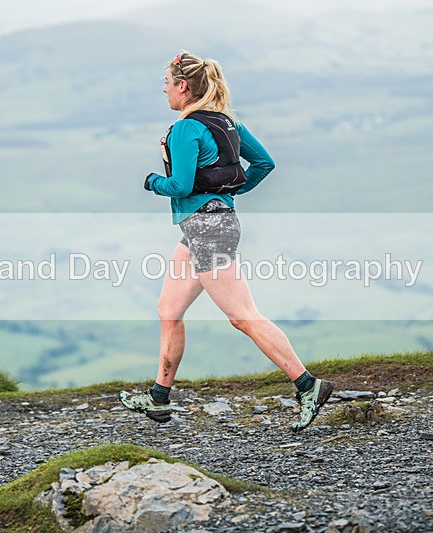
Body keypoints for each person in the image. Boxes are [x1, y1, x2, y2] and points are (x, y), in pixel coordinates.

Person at [118, 51, 333, 432]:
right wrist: (228, 194)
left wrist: (152, 182)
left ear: (183, 87)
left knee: (243, 316)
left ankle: (308, 386)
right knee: (169, 310)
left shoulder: (186, 129)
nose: (165, 91)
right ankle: (158, 398)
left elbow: (180, 185)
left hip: (207, 228)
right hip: (205, 226)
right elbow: (264, 163)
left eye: (167, 84)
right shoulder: (229, 124)